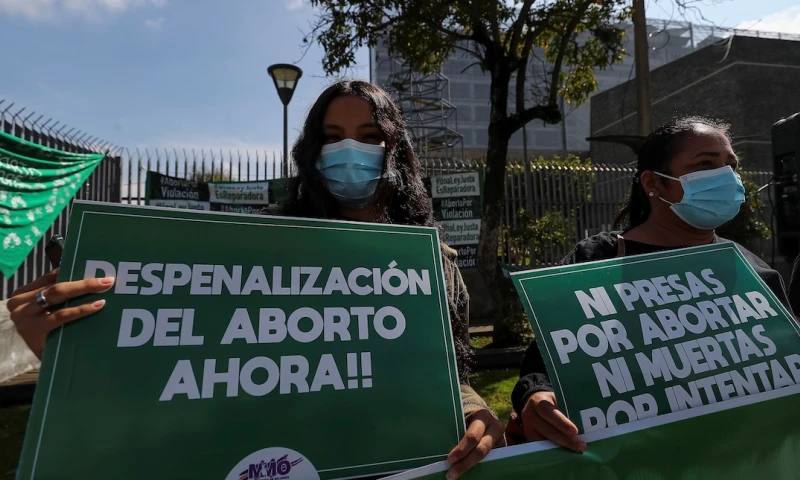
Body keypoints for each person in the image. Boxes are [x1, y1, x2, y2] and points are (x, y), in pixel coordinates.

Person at [6, 80, 504, 480]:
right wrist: (77, 353)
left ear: (397, 149)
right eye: (332, 137)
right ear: (313, 151)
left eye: (370, 136)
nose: (349, 149)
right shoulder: (260, 248)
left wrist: (474, 412)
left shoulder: (434, 264)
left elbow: (446, 374)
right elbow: (191, 368)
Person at [506, 116, 795, 451]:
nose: (727, 177)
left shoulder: (753, 270)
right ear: (653, 183)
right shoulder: (596, 261)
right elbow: (544, 363)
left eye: (731, 166)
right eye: (706, 164)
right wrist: (537, 395)